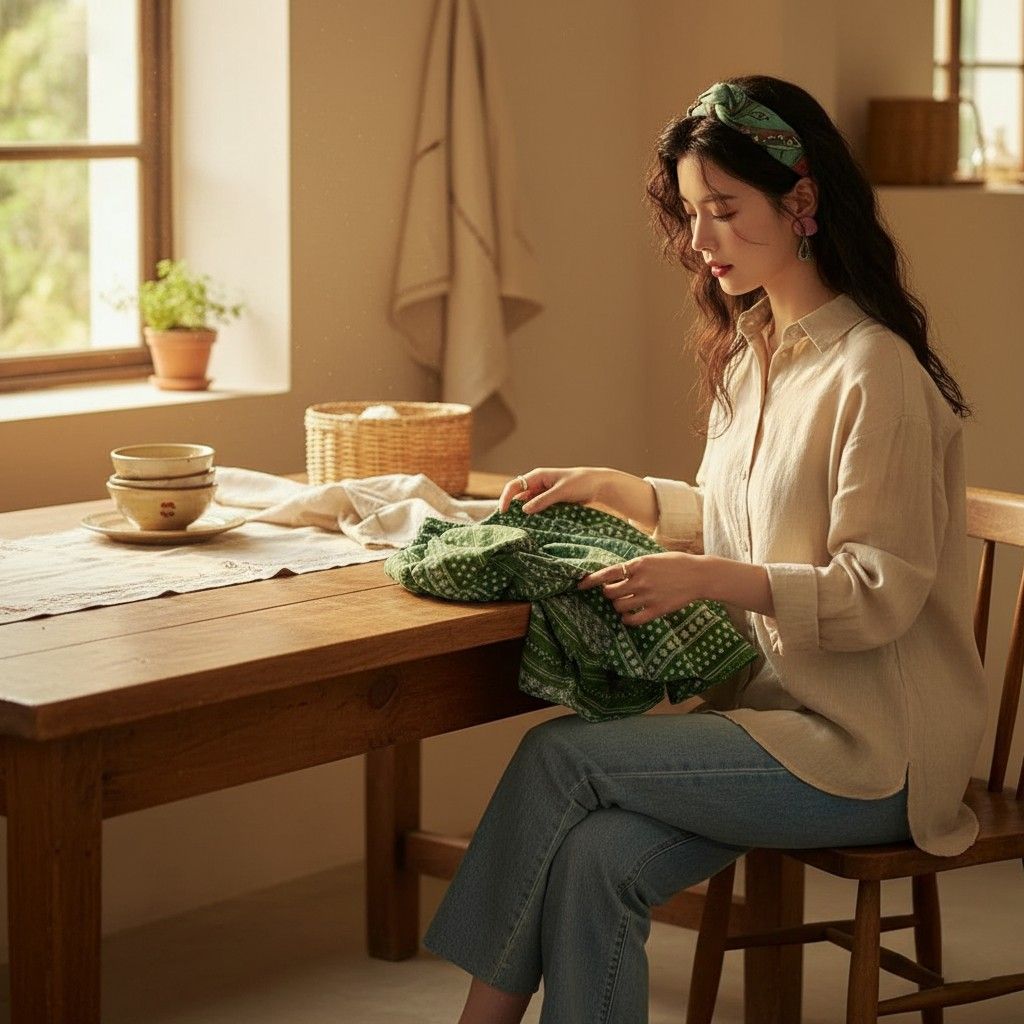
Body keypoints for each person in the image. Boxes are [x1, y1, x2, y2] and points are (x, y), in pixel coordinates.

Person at [421, 74, 988, 1024]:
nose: (700, 241)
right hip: (772, 722)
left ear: (801, 202)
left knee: (560, 758)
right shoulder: (752, 348)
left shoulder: (873, 371)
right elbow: (746, 516)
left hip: (874, 753)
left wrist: (708, 578)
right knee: (598, 861)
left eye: (723, 211)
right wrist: (626, 491)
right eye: (689, 214)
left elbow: (875, 593)